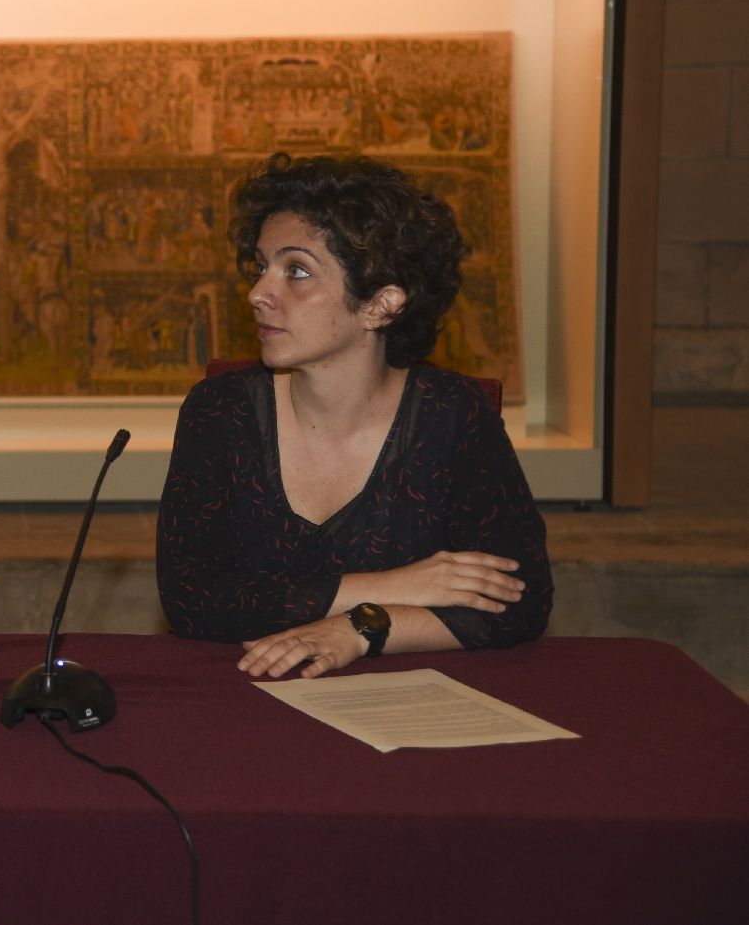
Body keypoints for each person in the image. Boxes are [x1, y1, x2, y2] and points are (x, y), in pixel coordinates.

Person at [155, 152, 550, 679]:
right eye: (261, 266)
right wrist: (393, 586)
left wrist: (362, 627)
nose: (257, 293)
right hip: (242, 700)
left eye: (295, 271)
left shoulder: (453, 418)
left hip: (407, 708)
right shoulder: (220, 412)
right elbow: (193, 602)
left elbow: (519, 603)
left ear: (381, 305)